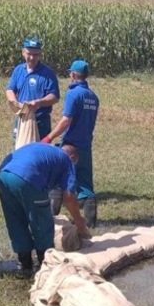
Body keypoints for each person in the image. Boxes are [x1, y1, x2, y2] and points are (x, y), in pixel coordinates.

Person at [0, 142, 92, 273]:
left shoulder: (48, 150)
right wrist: (79, 221)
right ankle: (45, 262)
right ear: (72, 157)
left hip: (3, 173)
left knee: (15, 219)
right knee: (42, 221)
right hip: (28, 176)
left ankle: (24, 263)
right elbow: (69, 196)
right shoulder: (66, 161)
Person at [41, 59, 100, 226]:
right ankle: (90, 224)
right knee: (86, 185)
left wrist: (49, 137)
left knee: (58, 181)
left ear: (73, 74)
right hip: (85, 146)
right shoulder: (93, 97)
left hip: (69, 145)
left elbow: (66, 120)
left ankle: (52, 220)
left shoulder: (74, 94)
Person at [5, 37, 60, 146]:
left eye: (35, 55)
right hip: (22, 119)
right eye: (29, 54)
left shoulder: (48, 73)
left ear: (40, 54)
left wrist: (38, 103)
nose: (32, 57)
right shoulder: (18, 70)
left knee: (40, 155)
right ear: (23, 52)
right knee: (20, 152)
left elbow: (54, 96)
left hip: (40, 121)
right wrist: (15, 102)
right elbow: (10, 89)